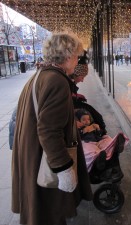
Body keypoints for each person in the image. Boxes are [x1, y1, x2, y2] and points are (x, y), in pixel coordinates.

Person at [11, 31, 93, 225]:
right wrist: (63, 168)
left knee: (41, 210)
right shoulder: (56, 81)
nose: (77, 60)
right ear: (67, 55)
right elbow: (48, 130)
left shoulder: (40, 75)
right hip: (43, 157)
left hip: (32, 153)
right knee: (48, 211)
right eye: (76, 56)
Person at [75, 109, 128, 174]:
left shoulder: (92, 125)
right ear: (78, 121)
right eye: (84, 119)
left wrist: (98, 129)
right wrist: (83, 131)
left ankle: (115, 146)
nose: (87, 121)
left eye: (88, 119)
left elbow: (100, 134)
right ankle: (98, 160)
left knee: (106, 139)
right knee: (89, 150)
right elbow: (76, 137)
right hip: (87, 142)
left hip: (97, 141)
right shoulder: (78, 129)